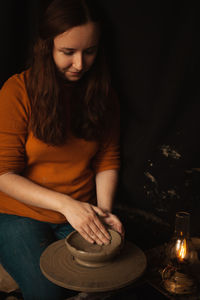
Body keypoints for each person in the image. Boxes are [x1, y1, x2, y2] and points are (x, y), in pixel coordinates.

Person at [0, 0, 124, 299]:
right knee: (48, 292)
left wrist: (104, 211)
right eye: (68, 53)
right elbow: (3, 173)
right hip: (18, 214)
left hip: (82, 212)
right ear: (47, 48)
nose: (80, 64)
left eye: (89, 51)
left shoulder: (103, 94)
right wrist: (66, 205)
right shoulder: (16, 92)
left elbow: (107, 159)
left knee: (108, 282)